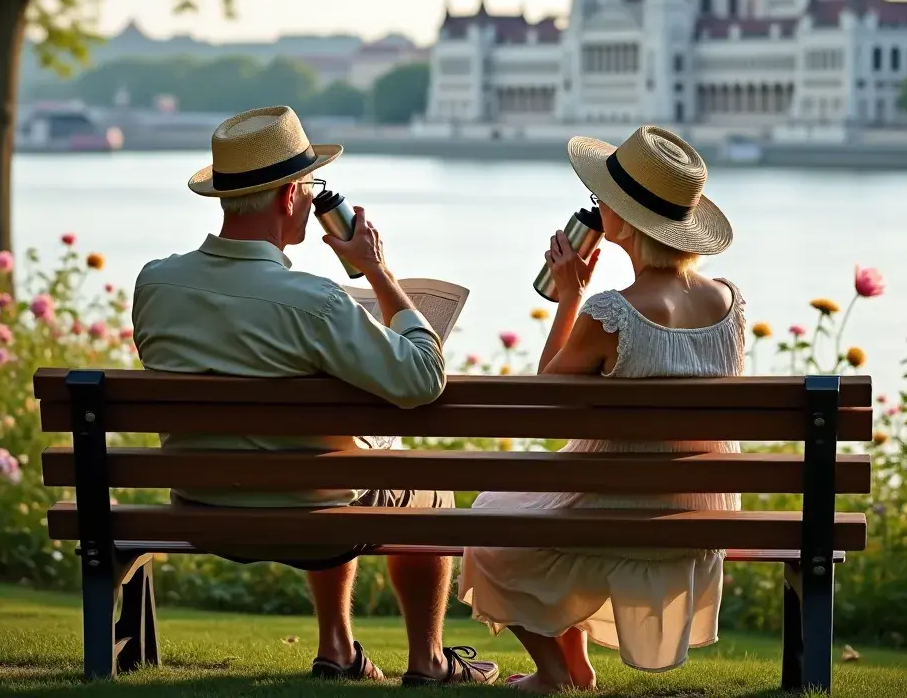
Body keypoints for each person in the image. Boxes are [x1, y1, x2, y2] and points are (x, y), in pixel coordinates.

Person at [133, 106, 497, 686]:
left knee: (334, 460)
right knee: (417, 485)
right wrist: (377, 271)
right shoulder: (315, 303)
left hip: (201, 510)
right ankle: (428, 661)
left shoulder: (155, 284)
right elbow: (423, 378)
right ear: (288, 197)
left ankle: (337, 648)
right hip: (312, 519)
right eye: (310, 189)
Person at [459, 125, 745, 694]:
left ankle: (554, 673)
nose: (595, 208)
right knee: (528, 505)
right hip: (696, 508)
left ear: (624, 221)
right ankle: (576, 668)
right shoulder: (728, 302)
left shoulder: (610, 312)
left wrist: (569, 298)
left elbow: (547, 404)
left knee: (488, 525)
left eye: (602, 200)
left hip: (613, 506)